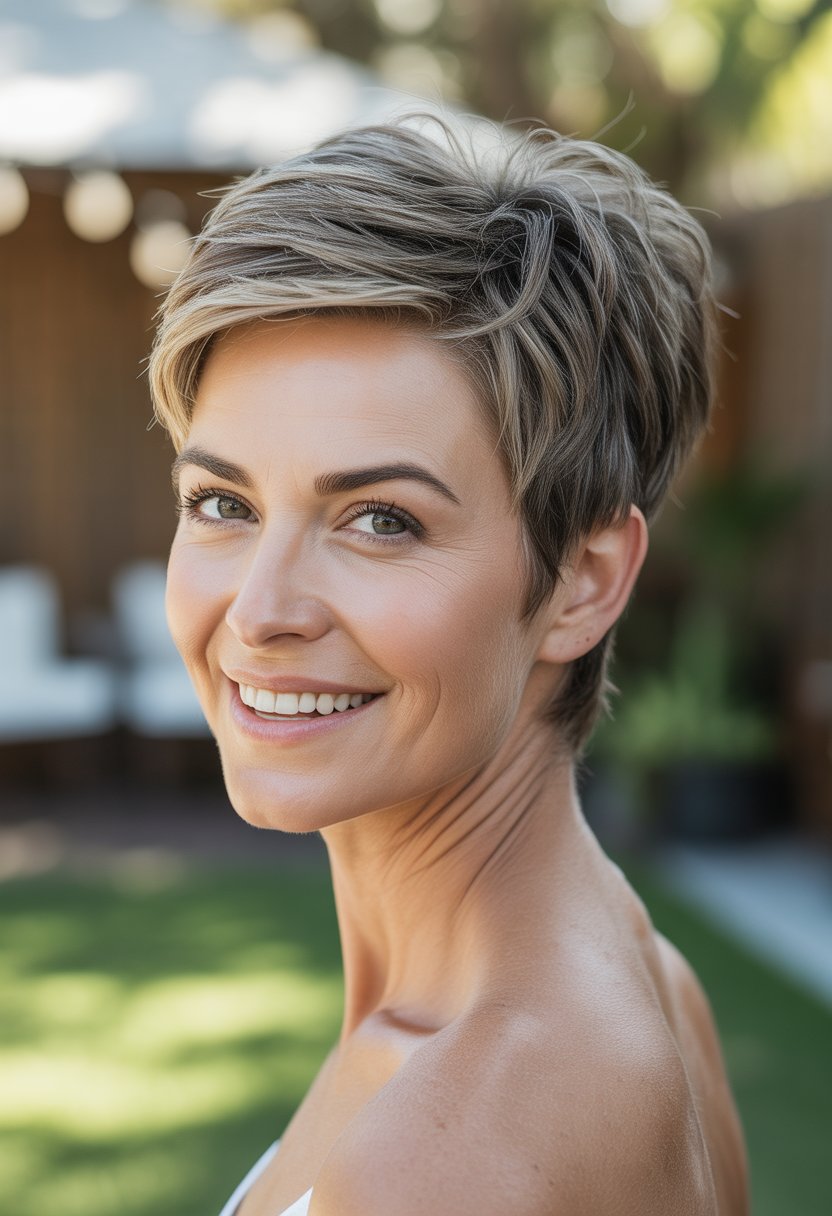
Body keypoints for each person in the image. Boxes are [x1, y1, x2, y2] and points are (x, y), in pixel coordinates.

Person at [149, 111, 748, 1216]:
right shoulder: (647, 978)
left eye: (380, 519)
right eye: (222, 502)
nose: (263, 610)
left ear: (582, 578)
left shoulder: (447, 1160)